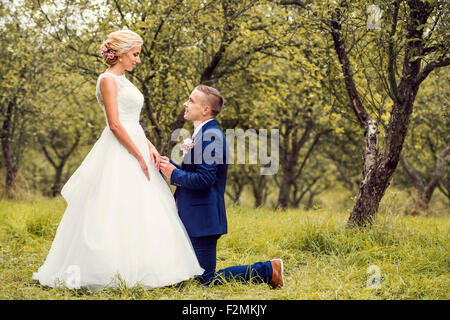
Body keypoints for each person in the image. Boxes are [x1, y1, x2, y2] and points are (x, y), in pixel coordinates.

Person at [32, 30, 204, 290]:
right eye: (135, 54)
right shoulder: (108, 80)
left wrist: (150, 148)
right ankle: (105, 268)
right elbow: (114, 124)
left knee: (144, 205)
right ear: (121, 53)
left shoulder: (125, 80)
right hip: (118, 149)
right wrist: (137, 155)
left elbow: (132, 123)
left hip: (135, 141)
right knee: (111, 204)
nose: (137, 60)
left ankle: (148, 266)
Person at [158, 85, 284, 289]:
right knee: (190, 276)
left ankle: (268, 270)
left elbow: (205, 179)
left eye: (191, 100)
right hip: (193, 216)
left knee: (206, 280)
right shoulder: (202, 134)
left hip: (202, 220)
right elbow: (193, 171)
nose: (185, 103)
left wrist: (173, 174)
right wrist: (167, 165)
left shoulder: (212, 137)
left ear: (205, 110)